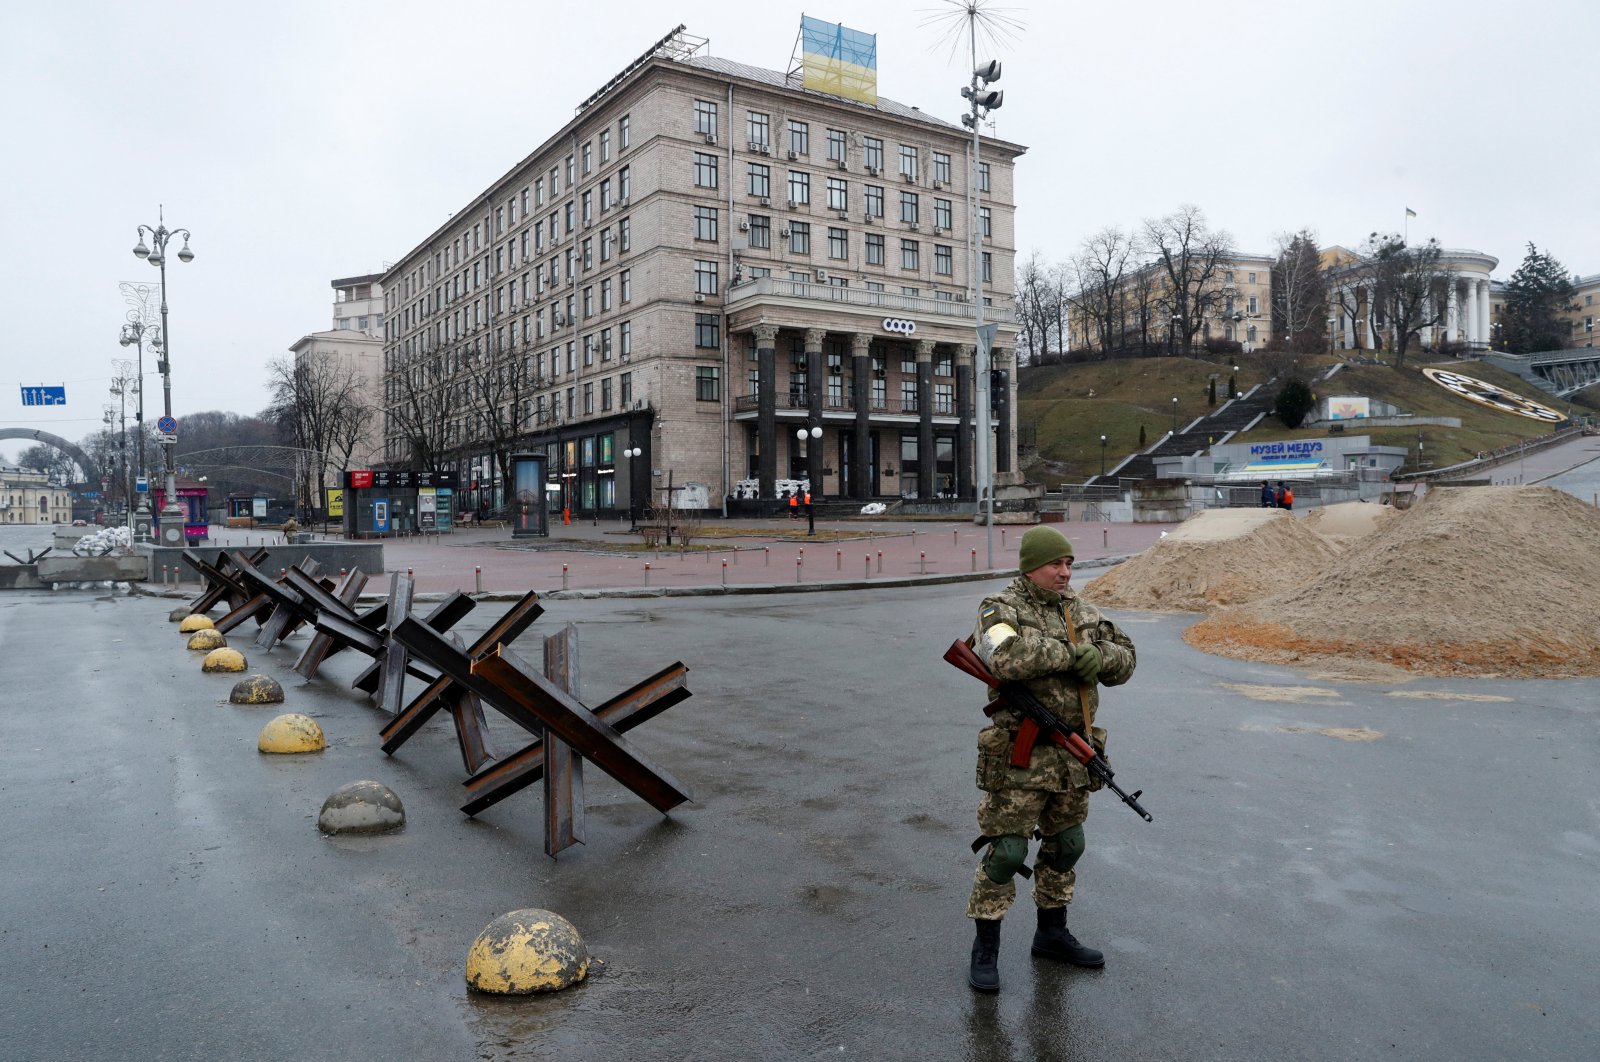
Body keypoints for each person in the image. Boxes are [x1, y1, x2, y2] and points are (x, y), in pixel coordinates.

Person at [965, 525, 1138, 993]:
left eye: (1069, 564)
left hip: (1072, 757)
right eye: (1056, 564)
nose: (1065, 573)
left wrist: (1099, 657)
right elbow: (1004, 656)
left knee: (1067, 846)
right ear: (1030, 566)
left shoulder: (1082, 610)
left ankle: (1052, 934)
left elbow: (1127, 656)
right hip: (1019, 758)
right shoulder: (999, 608)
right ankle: (986, 948)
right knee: (1007, 853)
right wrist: (1071, 654)